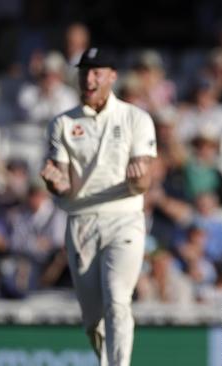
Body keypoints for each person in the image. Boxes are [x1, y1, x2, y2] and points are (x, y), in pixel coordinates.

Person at [39, 47, 156, 366]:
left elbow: (143, 183)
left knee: (118, 300)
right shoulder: (62, 123)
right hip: (81, 222)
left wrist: (137, 181)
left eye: (96, 72)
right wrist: (53, 182)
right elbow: (61, 180)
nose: (89, 79)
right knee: (93, 319)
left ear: (112, 76)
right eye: (84, 72)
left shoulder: (136, 118)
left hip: (124, 218)